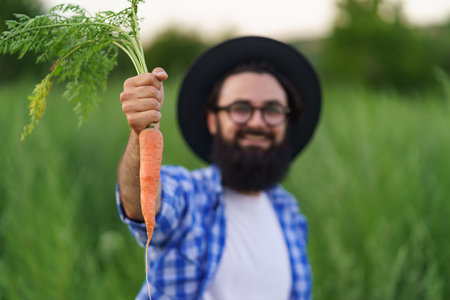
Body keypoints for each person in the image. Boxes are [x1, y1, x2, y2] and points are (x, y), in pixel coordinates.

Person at [116, 36, 321, 300]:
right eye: (241, 108)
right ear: (212, 121)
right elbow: (141, 207)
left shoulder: (290, 213)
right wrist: (139, 134)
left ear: (286, 122)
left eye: (273, 109)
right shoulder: (192, 195)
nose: (257, 123)